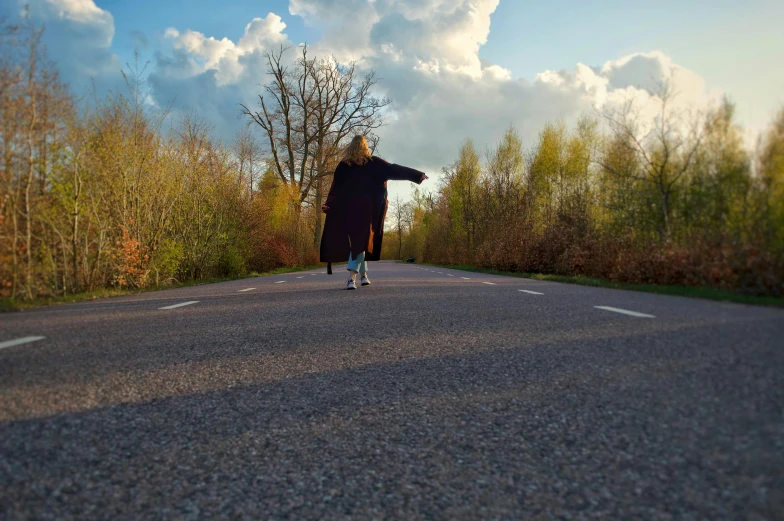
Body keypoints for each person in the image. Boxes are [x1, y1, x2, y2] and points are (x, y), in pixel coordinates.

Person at [320, 136, 428, 290]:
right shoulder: (374, 163)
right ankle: (352, 278)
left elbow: (335, 188)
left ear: (350, 147)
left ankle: (363, 277)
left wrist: (329, 204)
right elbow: (395, 169)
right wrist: (417, 175)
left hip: (349, 210)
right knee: (360, 242)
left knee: (360, 242)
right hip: (369, 211)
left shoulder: (344, 166)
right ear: (365, 147)